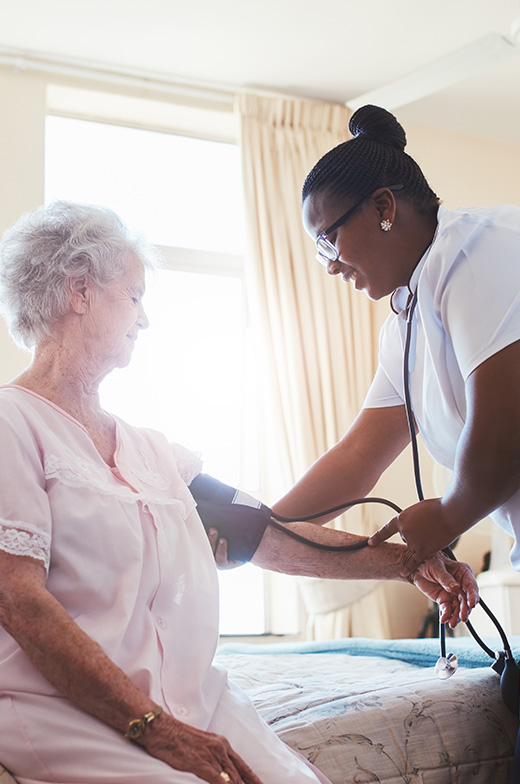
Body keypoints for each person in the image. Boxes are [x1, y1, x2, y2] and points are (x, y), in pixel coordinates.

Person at [0, 201, 476, 784]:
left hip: (193, 701)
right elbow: (19, 601)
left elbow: (266, 536)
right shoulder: (11, 423)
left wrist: (408, 563)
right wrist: (153, 727)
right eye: (133, 295)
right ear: (79, 291)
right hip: (71, 712)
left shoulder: (152, 451)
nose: (144, 318)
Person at [271, 102, 520, 581]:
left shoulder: (477, 250)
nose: (328, 265)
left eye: (328, 239)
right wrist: (258, 531)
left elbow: (506, 437)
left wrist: (448, 516)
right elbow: (358, 457)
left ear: (383, 207)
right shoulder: (404, 326)